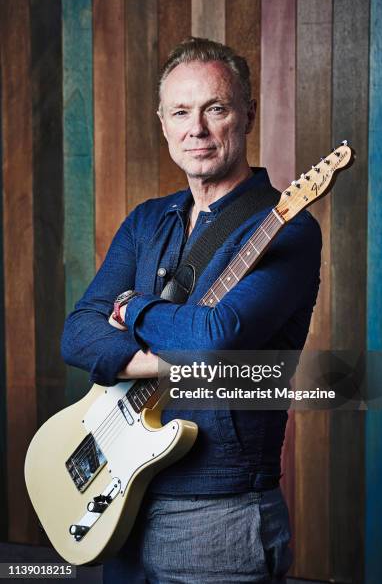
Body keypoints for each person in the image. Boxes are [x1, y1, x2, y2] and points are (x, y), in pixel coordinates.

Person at [61, 37, 321, 583]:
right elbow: (78, 333)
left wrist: (132, 306)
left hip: (217, 516)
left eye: (216, 109)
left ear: (247, 114)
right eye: (181, 112)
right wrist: (163, 361)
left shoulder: (288, 228)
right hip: (123, 490)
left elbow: (212, 337)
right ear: (163, 123)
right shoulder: (146, 221)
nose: (196, 129)